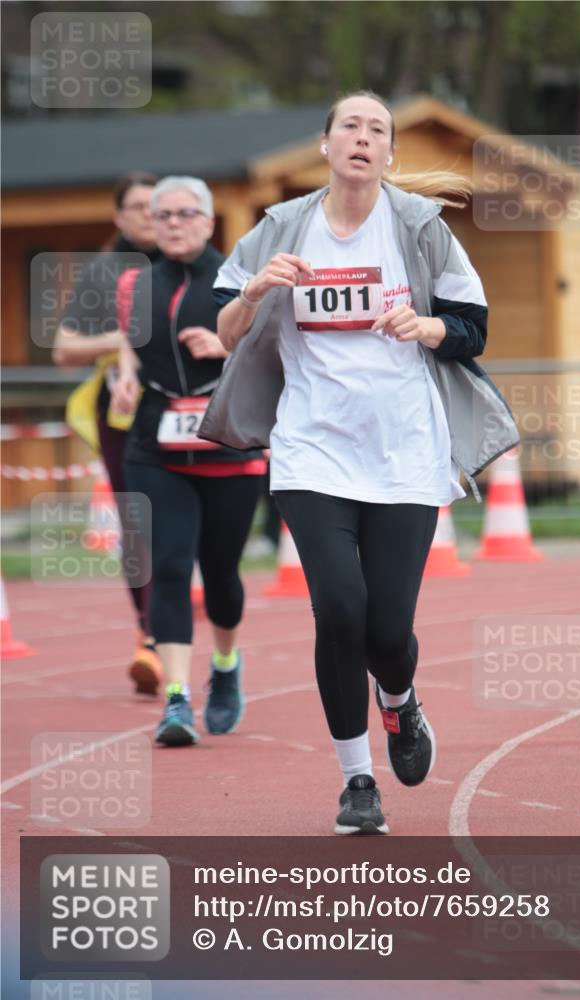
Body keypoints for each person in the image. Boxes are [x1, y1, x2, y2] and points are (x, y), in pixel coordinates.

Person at [203, 91, 518, 833]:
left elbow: (472, 328)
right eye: (351, 125)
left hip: (404, 451)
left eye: (378, 130)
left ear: (388, 155)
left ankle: (400, 702)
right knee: (338, 610)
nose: (363, 138)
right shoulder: (281, 228)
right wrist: (254, 289)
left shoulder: (418, 227)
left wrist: (427, 324)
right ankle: (356, 781)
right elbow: (223, 332)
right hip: (312, 451)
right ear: (325, 144)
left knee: (385, 632)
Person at [111, 176, 266, 746]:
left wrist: (228, 348)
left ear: (207, 220)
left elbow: (278, 349)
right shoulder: (134, 283)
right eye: (164, 214)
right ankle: (176, 701)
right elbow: (130, 344)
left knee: (221, 574)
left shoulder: (239, 280)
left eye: (186, 213)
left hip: (226, 439)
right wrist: (124, 377)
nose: (174, 223)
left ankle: (225, 666)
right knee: (169, 569)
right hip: (155, 445)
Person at [53, 171, 163, 695]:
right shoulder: (103, 272)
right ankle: (150, 636)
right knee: (137, 520)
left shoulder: (186, 260)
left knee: (186, 519)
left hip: (183, 409)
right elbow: (63, 349)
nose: (148, 214)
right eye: (136, 207)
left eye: (155, 205)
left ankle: (176, 619)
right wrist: (125, 338)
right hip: (122, 413)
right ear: (119, 217)